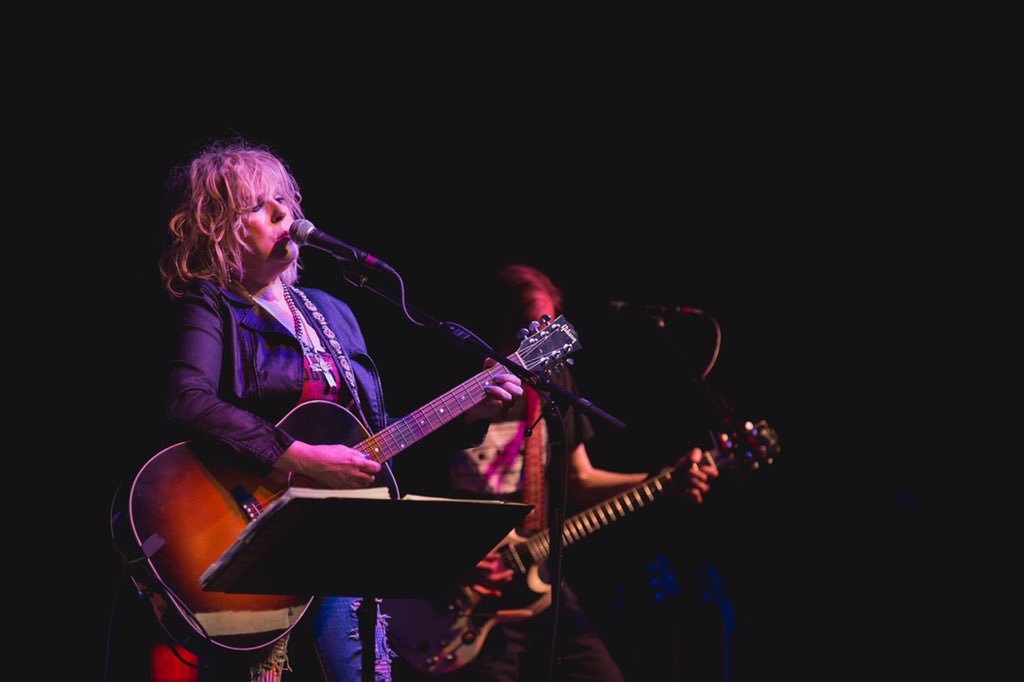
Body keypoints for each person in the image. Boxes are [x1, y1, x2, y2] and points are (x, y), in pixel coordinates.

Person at [157, 140, 522, 682]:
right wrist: (300, 457)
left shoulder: (332, 313)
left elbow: (372, 435)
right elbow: (188, 401)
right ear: (216, 229)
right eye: (257, 205)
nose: (282, 213)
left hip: (337, 533)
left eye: (284, 200)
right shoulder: (210, 304)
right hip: (245, 530)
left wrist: (472, 410)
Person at [390, 264, 719, 682]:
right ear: (502, 327)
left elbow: (579, 479)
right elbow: (403, 487)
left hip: (536, 576)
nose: (542, 341)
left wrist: (661, 481)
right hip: (457, 592)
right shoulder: (455, 386)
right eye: (531, 328)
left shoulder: (553, 380)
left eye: (549, 326)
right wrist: (451, 558)